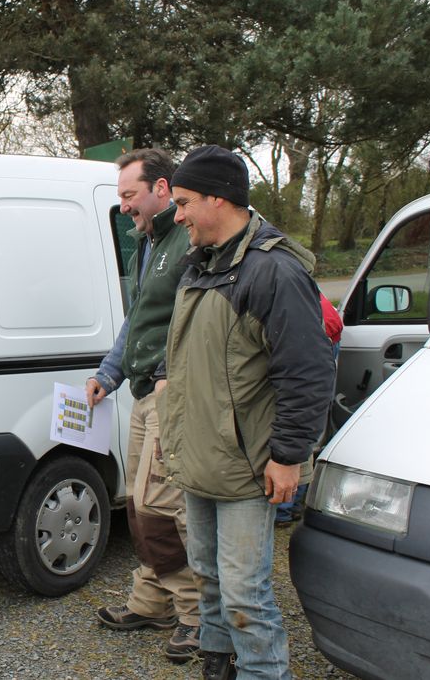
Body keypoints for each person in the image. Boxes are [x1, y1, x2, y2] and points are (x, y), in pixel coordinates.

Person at [159, 145, 335, 680]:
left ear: (219, 198)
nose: (178, 215)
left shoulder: (273, 272)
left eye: (184, 202)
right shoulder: (201, 265)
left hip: (247, 467)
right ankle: (219, 663)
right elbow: (192, 356)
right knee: (207, 575)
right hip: (201, 456)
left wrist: (288, 455)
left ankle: (263, 671)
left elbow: (307, 372)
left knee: (244, 592)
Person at [87, 148, 200, 662]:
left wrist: (167, 376)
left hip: (170, 395)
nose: (124, 206)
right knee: (138, 504)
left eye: (130, 195)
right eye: (121, 196)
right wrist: (108, 374)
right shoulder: (147, 242)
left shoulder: (188, 240)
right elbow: (138, 320)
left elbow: (195, 320)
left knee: (162, 508)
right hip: (142, 395)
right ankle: (152, 602)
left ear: (161, 188)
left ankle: (196, 615)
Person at [275, 292, 342, 525]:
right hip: (326, 332)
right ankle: (292, 506)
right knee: (308, 428)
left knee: (295, 424)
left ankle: (283, 509)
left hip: (315, 338)